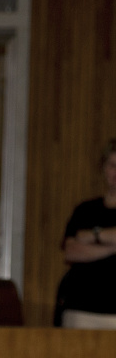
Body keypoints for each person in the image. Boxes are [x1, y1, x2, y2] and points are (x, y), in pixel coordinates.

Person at [59, 138, 116, 329]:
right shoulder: (85, 210)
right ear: (104, 168)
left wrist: (92, 236)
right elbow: (71, 251)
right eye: (112, 165)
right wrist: (111, 247)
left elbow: (82, 243)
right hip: (81, 308)